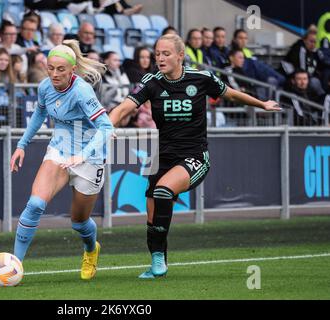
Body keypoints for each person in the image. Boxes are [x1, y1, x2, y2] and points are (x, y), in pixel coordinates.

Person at [109, 34, 281, 278]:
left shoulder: (201, 78)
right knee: (151, 212)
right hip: (163, 157)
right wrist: (107, 128)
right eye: (157, 53)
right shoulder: (151, 81)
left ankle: (158, 260)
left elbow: (230, 94)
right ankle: (158, 261)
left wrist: (262, 104)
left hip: (195, 156)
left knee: (163, 191)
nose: (160, 58)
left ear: (181, 56)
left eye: (166, 53)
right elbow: (125, 107)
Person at [9, 39, 113, 280]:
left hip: (90, 157)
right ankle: (15, 266)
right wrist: (21, 145)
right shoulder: (45, 87)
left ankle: (91, 249)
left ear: (72, 70)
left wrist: (83, 155)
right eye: (50, 68)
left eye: (60, 69)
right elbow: (39, 113)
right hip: (59, 151)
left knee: (79, 223)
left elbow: (106, 127)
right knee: (35, 205)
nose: (54, 74)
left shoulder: (81, 91)